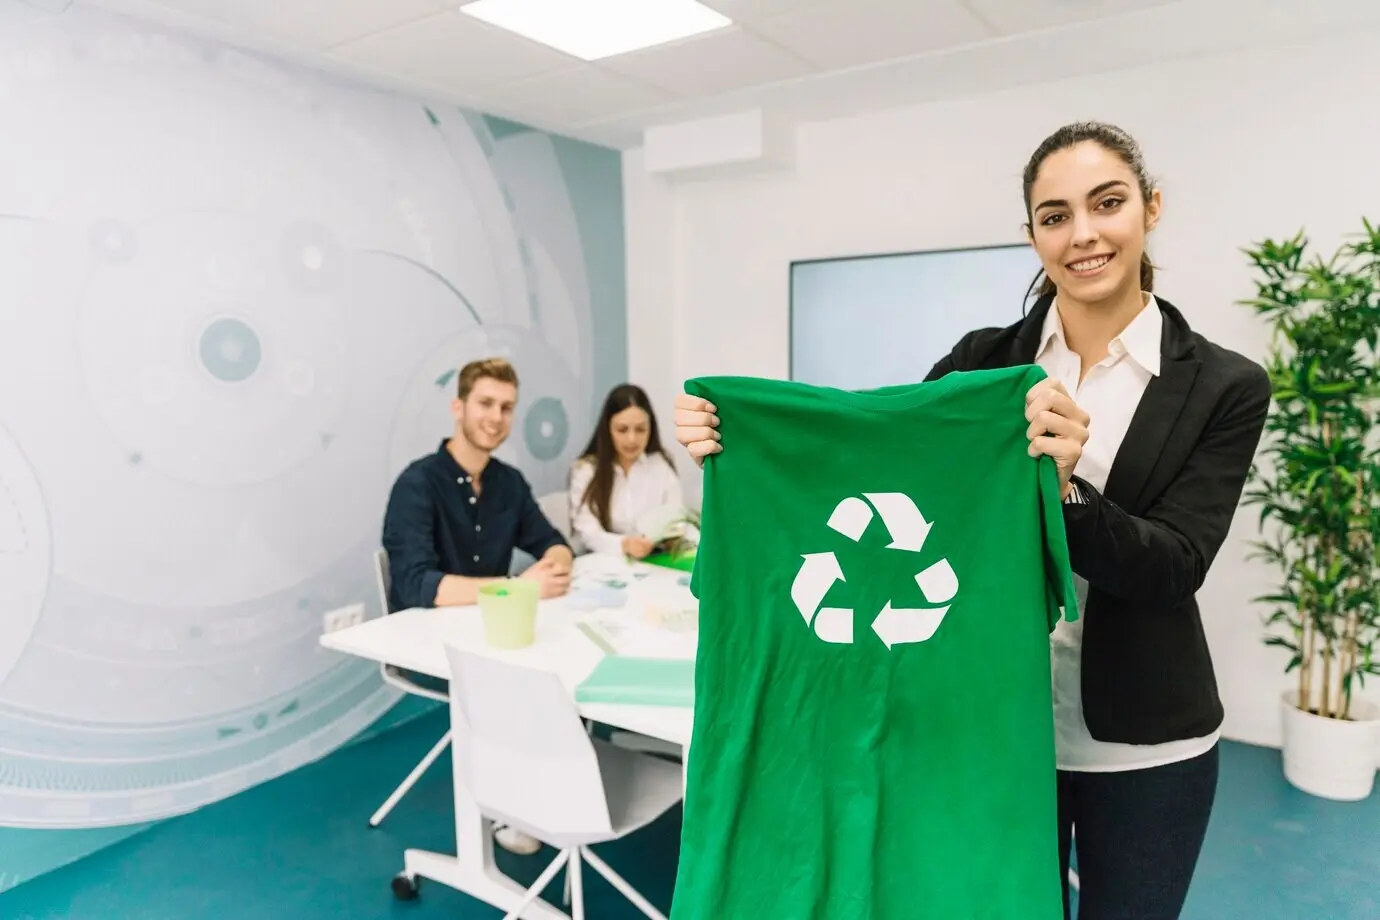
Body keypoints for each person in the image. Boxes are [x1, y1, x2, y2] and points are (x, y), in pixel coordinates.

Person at [671, 121, 1270, 920]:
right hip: (983, 723)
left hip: (1144, 741)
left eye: (1107, 203)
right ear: (1031, 236)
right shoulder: (982, 364)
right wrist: (739, 440)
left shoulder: (1224, 386)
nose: (1082, 233)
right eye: (1055, 215)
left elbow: (1175, 564)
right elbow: (875, 458)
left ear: (1151, 208)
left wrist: (1065, 492)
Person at [382, 355, 573, 856]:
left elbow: (551, 540)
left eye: (507, 407)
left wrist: (555, 560)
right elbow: (420, 586)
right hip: (434, 642)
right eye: (486, 403)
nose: (496, 417)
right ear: (458, 407)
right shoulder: (417, 484)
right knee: (533, 678)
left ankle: (549, 792)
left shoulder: (509, 482)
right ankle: (513, 805)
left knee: (559, 660)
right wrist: (517, 585)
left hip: (499, 632)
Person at [568, 383, 683, 559]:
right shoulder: (586, 470)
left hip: (653, 561)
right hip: (602, 561)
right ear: (608, 430)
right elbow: (586, 530)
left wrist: (668, 538)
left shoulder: (661, 466)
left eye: (640, 429)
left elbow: (676, 517)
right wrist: (623, 545)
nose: (632, 439)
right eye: (622, 430)